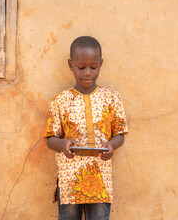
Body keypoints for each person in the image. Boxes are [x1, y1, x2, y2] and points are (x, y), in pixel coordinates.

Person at [43, 36, 128, 220]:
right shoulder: (60, 101)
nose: (87, 73)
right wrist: (63, 144)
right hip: (69, 178)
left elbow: (120, 134)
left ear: (101, 64)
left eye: (93, 67)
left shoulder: (112, 98)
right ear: (71, 64)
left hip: (101, 177)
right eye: (81, 68)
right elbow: (50, 139)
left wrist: (112, 146)